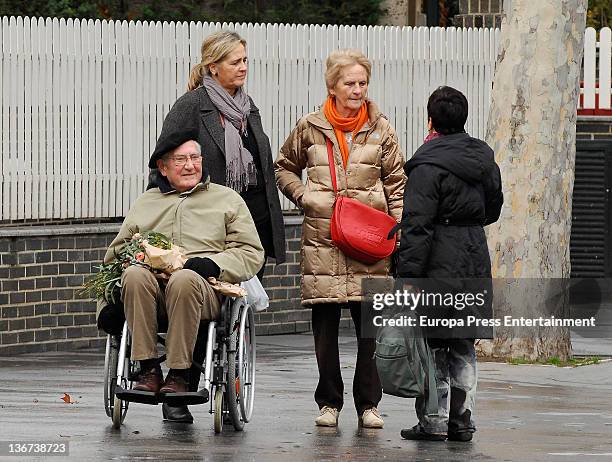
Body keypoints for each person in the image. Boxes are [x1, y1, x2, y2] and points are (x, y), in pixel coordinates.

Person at [148, 30, 286, 422]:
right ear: (213, 66)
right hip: (202, 223)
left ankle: (227, 382)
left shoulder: (246, 107)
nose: (243, 67)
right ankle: (181, 384)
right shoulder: (191, 106)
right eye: (235, 61)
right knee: (193, 297)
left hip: (246, 222)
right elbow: (163, 165)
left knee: (229, 310)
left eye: (245, 59)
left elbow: (259, 166)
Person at [274, 49, 405, 429]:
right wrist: (303, 196)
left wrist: (398, 231)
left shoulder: (382, 127)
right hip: (324, 239)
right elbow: (283, 168)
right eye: (350, 83)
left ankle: (369, 404)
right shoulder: (309, 127)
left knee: (371, 328)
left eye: (363, 83)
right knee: (325, 325)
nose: (358, 90)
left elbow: (397, 183)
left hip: (370, 239)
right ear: (332, 86)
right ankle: (329, 402)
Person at [96, 128, 264, 419]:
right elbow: (114, 259)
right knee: (134, 275)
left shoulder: (226, 200)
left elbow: (251, 252)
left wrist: (216, 264)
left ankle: (179, 374)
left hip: (205, 291)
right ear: (162, 167)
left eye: (195, 158)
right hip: (152, 295)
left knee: (184, 278)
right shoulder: (146, 203)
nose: (190, 165)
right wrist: (106, 306)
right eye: (180, 160)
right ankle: (147, 369)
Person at [395, 86, 503, 442]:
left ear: (431, 120)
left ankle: (435, 419)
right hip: (473, 257)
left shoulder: (427, 166)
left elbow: (417, 227)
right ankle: (463, 419)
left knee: (435, 342)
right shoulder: (484, 160)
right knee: (464, 342)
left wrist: (408, 278)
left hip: (437, 262)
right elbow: (493, 208)